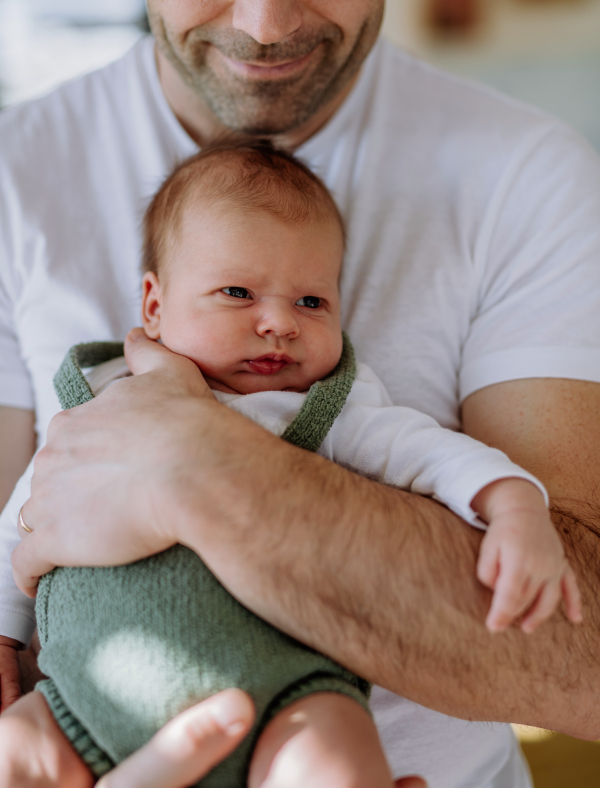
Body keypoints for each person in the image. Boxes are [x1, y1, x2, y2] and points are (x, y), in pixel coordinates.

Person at [1, 0, 600, 785]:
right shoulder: (15, 178)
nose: (266, 19)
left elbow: (580, 650)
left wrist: (197, 470)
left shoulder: (530, 182)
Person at [0, 141, 582, 785]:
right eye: (238, 292)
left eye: (311, 302)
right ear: (155, 306)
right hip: (83, 702)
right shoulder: (101, 401)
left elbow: (434, 455)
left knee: (331, 759)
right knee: (14, 753)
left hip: (287, 698)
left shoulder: (330, 411)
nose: (278, 322)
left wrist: (515, 505)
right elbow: (26, 516)